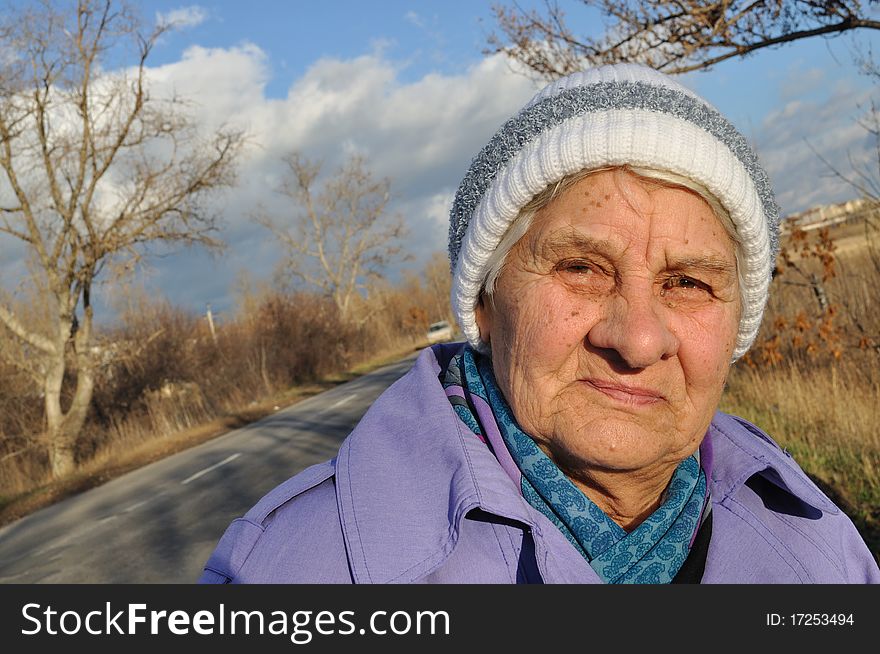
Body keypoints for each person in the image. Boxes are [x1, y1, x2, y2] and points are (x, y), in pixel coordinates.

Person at [200, 63, 879, 583]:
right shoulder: (298, 570)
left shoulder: (820, 546)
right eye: (582, 268)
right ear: (487, 305)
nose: (637, 339)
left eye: (688, 283)